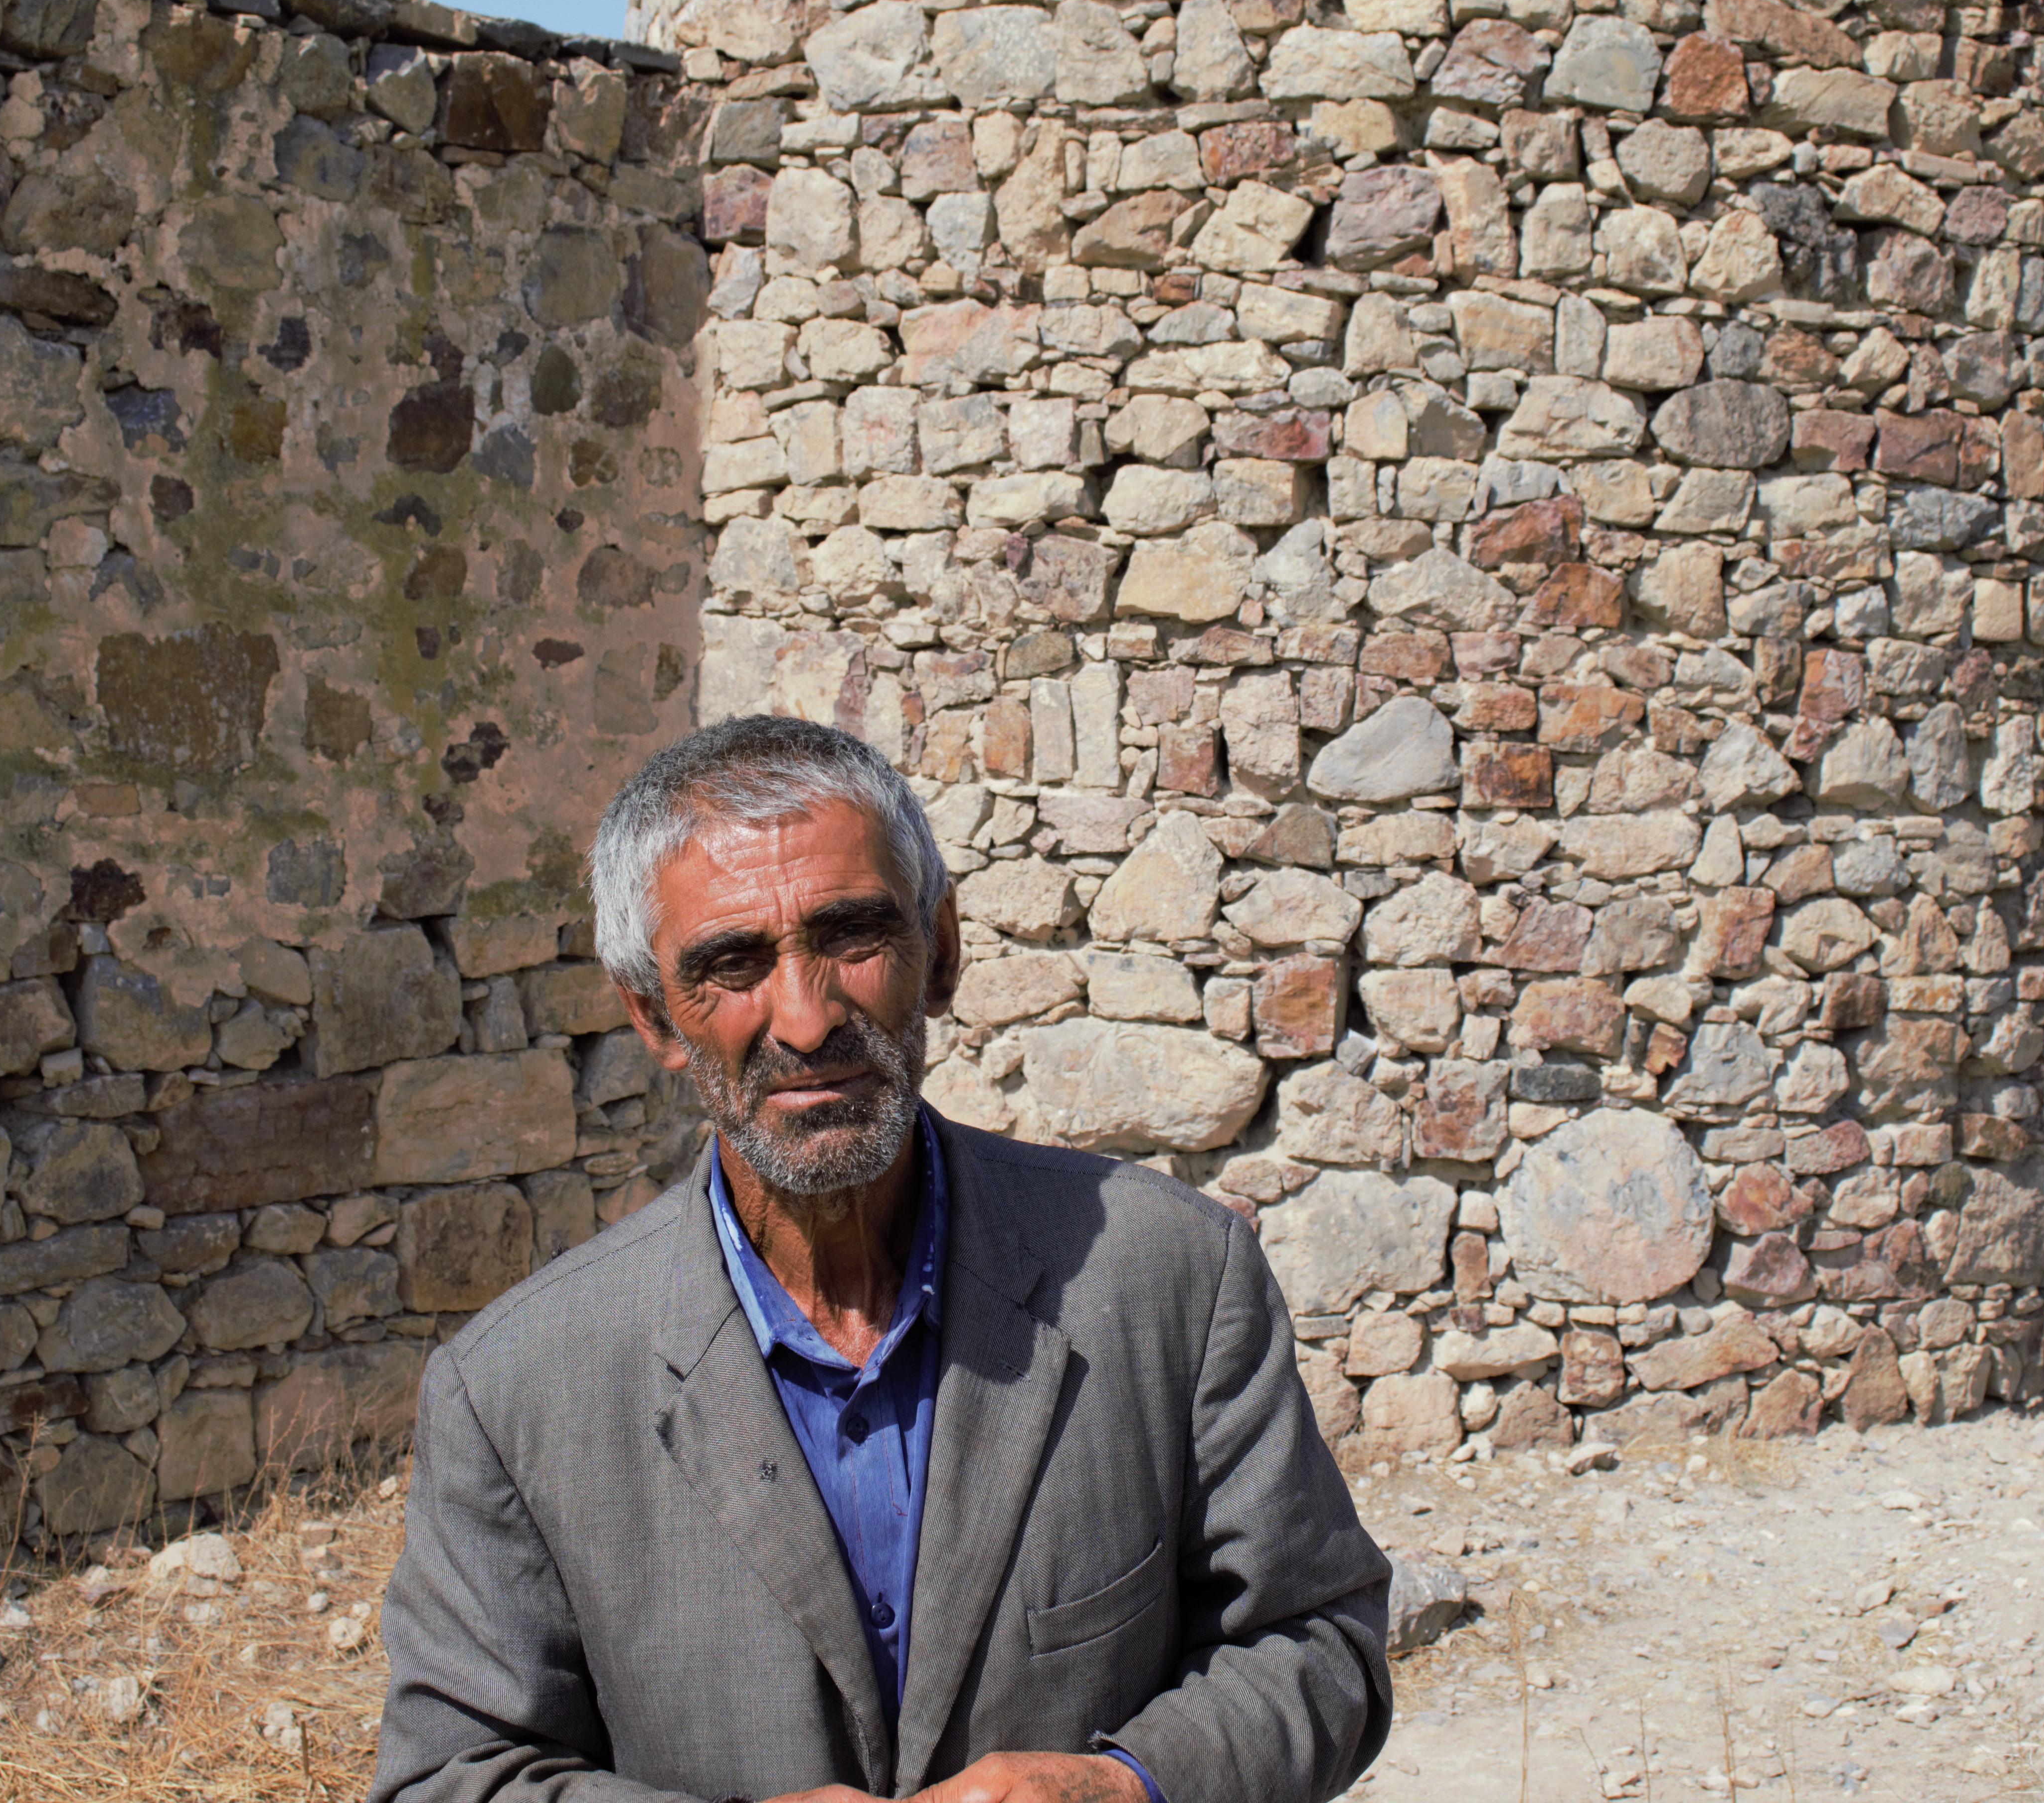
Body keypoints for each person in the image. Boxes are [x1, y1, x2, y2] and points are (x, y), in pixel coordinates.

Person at [373, 716, 1392, 1803]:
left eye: (852, 936)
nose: (807, 1019)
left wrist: (1124, 1786)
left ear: (941, 951)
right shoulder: (517, 1390)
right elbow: (452, 1776)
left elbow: (1319, 1640)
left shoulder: (1168, 1279)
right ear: (656, 1017)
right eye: (732, 964)